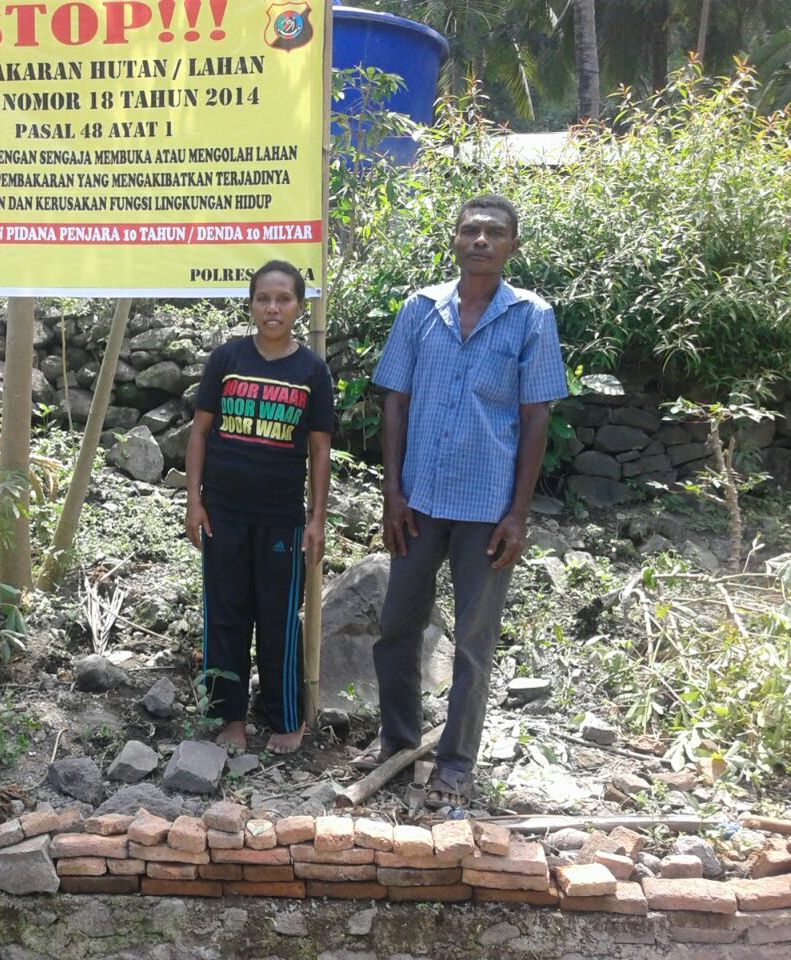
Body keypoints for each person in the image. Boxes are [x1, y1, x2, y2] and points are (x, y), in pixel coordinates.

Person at [362, 194, 567, 808]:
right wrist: (392, 492)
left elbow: (536, 418)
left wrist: (519, 513)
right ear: (453, 240)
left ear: (512, 246)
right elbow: (394, 399)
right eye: (470, 230)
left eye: (494, 233)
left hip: (487, 510)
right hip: (419, 502)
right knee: (396, 628)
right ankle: (398, 744)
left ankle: (454, 763)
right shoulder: (420, 309)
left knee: (473, 646)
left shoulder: (531, 316)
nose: (481, 240)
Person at [185, 260, 333, 755]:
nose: (273, 308)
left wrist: (316, 519)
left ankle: (285, 717)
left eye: (283, 300)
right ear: (250, 304)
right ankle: (228, 717)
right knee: (225, 613)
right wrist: (194, 501)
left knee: (278, 617)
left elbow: (318, 449)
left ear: (297, 306)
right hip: (222, 512)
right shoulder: (227, 359)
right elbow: (200, 432)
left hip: (282, 518)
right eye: (263, 299)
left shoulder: (311, 370)